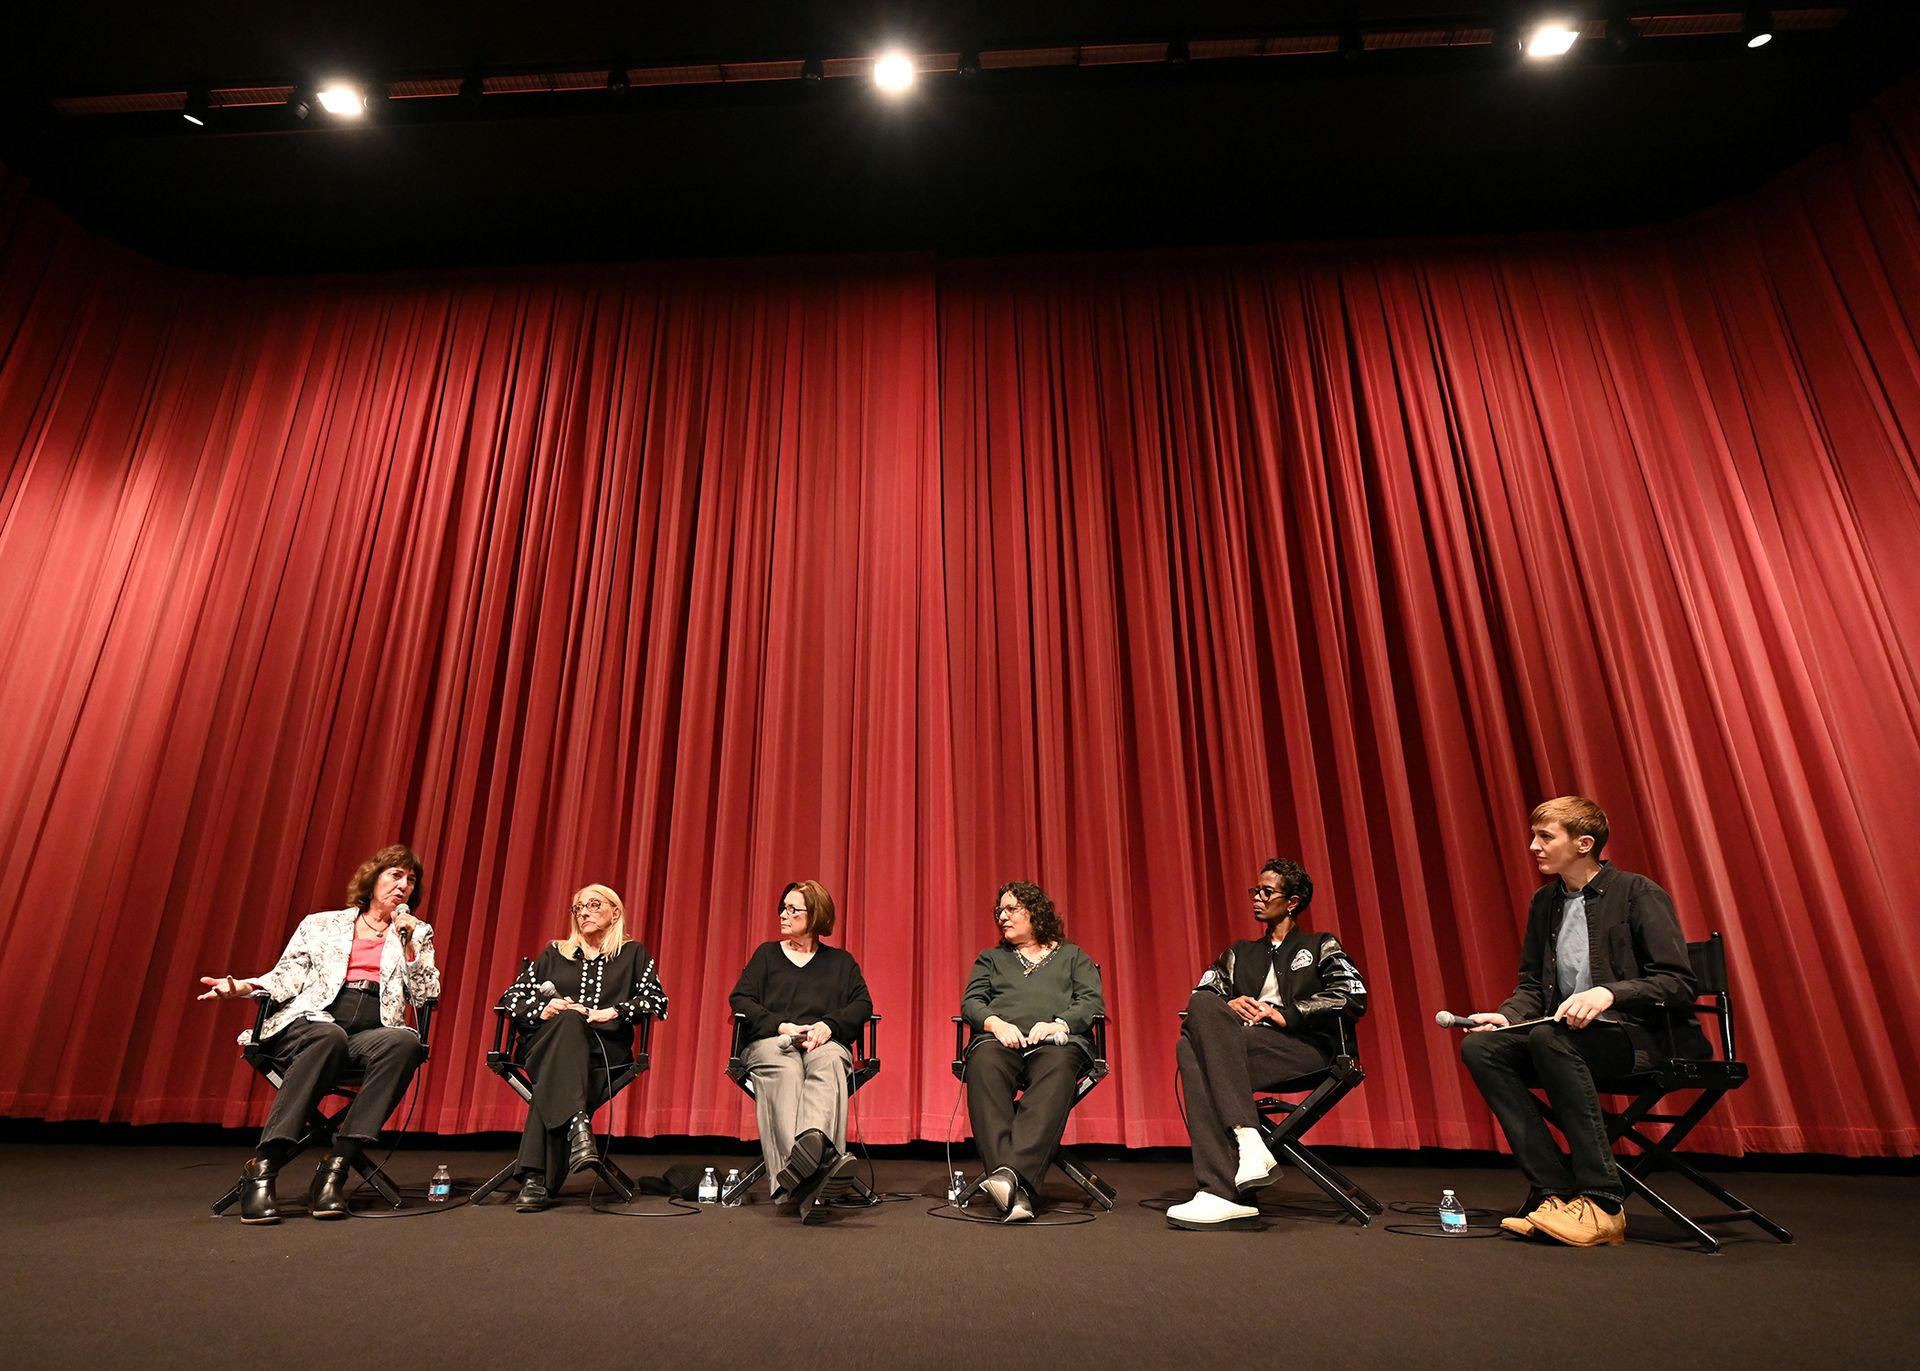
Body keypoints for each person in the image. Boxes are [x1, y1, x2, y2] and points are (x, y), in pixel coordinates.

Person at [1460, 795, 1709, 1247]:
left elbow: (1677, 983)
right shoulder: (1545, 903)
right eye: (1534, 836)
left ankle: (1602, 1202)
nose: (1533, 846)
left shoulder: (1637, 893)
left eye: (1545, 836)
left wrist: (1610, 991)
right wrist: (1506, 1015)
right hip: (1566, 1040)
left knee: (1550, 1039)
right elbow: (1533, 985)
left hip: (1644, 1040)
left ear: (1584, 843)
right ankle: (1553, 1192)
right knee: (1483, 1047)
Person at [198, 844, 440, 1223]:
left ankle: (335, 1169)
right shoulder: (320, 924)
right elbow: (287, 975)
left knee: (405, 1041)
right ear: (373, 879)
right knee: (329, 1036)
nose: (403, 885)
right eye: (395, 875)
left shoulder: (416, 932)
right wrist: (245, 987)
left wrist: (411, 949)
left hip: (371, 1030)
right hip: (312, 1021)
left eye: (411, 880)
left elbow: (427, 995)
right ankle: (262, 1168)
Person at [1167, 857, 1368, 1230]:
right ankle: (1241, 1156)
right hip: (1243, 1051)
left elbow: (1352, 995)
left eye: (1266, 891)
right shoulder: (1239, 952)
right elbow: (1201, 999)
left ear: (1291, 902)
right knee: (1197, 1019)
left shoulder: (1320, 944)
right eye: (1254, 891)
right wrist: (1228, 1004)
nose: (1256, 898)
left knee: (1193, 1052)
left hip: (1304, 1050)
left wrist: (1287, 1013)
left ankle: (1224, 1185)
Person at [497, 884, 668, 1211]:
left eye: (593, 905)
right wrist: (545, 1010)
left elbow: (657, 1001)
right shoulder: (554, 954)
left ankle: (536, 1177)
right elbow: (512, 998)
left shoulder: (633, 954)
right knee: (570, 1021)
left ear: (615, 913)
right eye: (578, 908)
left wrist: (613, 1011)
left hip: (603, 1052)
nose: (584, 912)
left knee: (555, 1078)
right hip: (546, 1046)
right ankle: (578, 1124)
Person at [959, 880, 1105, 1222]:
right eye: (1000, 911)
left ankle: (1007, 1179)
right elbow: (972, 1002)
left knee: (1058, 1065)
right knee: (983, 1062)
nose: (1003, 917)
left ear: (1035, 913)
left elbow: (1091, 1002)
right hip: (1001, 1041)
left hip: (1056, 1043)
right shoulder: (991, 959)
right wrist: (995, 1023)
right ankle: (1015, 1186)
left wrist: (1061, 1024)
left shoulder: (1073, 957)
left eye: (1012, 909)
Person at [728, 880, 873, 1221]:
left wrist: (829, 1026)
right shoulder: (767, 954)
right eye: (783, 907)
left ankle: (806, 1158)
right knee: (788, 1067)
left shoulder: (841, 962)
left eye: (793, 909)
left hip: (821, 1042)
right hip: (773, 1043)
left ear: (816, 915)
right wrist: (781, 1025)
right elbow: (741, 1000)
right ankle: (818, 1165)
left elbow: (862, 1004)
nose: (783, 914)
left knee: (829, 1060)